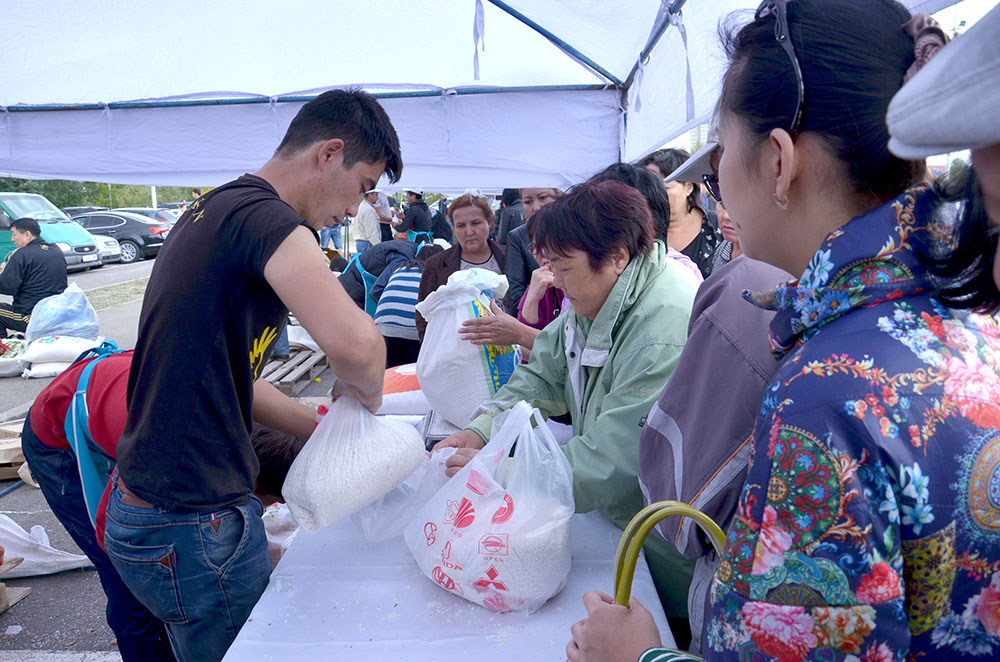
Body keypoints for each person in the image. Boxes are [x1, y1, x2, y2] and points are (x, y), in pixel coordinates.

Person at [569, 2, 1000, 661]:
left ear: (777, 161)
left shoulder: (826, 393)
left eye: (720, 151)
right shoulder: (968, 312)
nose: (715, 186)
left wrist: (641, 657)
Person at [106, 89, 400, 662]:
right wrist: (364, 397)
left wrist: (324, 427)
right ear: (329, 153)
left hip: (155, 510)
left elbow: (236, 379)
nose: (355, 208)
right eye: (363, 186)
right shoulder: (264, 216)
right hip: (190, 519)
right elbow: (360, 345)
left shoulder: (218, 209)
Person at [436, 181, 697, 637]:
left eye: (564, 267)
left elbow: (611, 459)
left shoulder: (662, 327)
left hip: (661, 545)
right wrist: (482, 430)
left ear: (617, 256)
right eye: (550, 265)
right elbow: (543, 374)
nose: (555, 279)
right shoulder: (597, 299)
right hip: (616, 520)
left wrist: (496, 472)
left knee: (658, 630)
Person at [20, 348, 307, 662]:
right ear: (249, 479)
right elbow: (117, 533)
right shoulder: (164, 451)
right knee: (127, 580)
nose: (264, 509)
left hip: (118, 399)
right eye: (266, 502)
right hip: (55, 435)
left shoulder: (232, 414)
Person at [415, 193, 506, 340]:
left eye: (475, 223)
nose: (469, 232)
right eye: (461, 226)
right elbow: (424, 316)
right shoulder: (436, 265)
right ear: (454, 229)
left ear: (489, 222)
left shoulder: (508, 258)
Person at [639, 148, 720, 278]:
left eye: (664, 188)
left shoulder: (720, 228)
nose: (653, 194)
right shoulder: (638, 234)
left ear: (689, 187)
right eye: (647, 188)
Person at [373, 244, 444, 367]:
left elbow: (376, 290)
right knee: (414, 371)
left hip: (383, 327)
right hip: (413, 329)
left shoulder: (400, 269)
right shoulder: (434, 274)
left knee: (393, 371)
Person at [0, 218, 67, 337]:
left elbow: (6, 287)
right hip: (57, 313)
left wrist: (3, 270)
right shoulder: (55, 250)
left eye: (14, 234)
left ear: (27, 235)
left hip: (32, 316)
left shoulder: (21, 254)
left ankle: (4, 348)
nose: (12, 239)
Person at [503, 187, 562, 312]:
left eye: (543, 198)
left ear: (559, 197)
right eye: (528, 201)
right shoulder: (517, 237)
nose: (536, 207)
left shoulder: (574, 229)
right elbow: (515, 291)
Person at [337, 238, 419, 314]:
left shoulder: (412, 247)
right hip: (356, 284)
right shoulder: (402, 259)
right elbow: (377, 290)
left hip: (357, 280)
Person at [354, 189, 382, 253]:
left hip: (361, 242)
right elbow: (371, 232)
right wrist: (379, 247)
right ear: (370, 195)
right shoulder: (369, 210)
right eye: (376, 194)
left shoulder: (361, 206)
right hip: (367, 243)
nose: (377, 197)